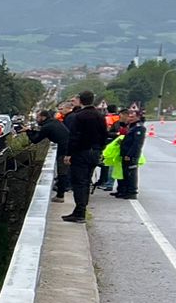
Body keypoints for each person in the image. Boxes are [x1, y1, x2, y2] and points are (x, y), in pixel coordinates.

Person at [60, 90, 108, 221]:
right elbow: (105, 134)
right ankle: (81, 210)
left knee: (79, 182)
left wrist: (69, 154)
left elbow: (74, 136)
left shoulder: (79, 116)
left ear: (80, 100)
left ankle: (80, 212)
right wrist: (100, 149)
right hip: (95, 152)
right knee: (86, 181)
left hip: (81, 152)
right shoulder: (100, 115)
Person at [25, 106, 71, 199]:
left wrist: (28, 132)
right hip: (68, 147)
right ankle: (62, 190)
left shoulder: (47, 127)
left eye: (38, 117)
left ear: (43, 117)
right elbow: (42, 133)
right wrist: (31, 131)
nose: (37, 120)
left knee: (62, 172)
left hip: (64, 150)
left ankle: (60, 196)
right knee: (64, 172)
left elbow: (35, 139)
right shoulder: (54, 122)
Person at [116, 106, 146, 199]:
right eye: (129, 116)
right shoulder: (131, 127)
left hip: (131, 155)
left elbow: (136, 144)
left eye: (132, 117)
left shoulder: (139, 128)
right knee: (126, 173)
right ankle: (126, 190)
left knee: (131, 173)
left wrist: (129, 154)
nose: (130, 118)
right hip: (125, 153)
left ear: (138, 117)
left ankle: (132, 191)